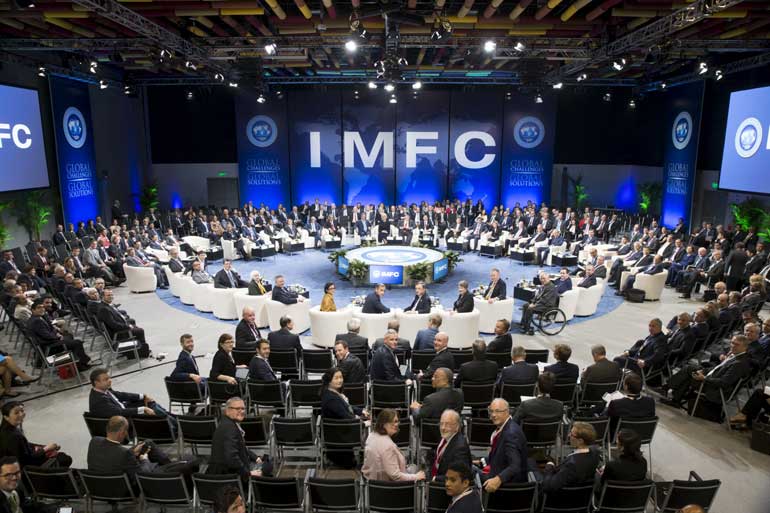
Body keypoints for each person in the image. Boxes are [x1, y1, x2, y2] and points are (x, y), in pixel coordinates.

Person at [87, 416, 194, 491]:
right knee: (190, 461)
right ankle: (169, 471)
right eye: (126, 431)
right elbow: (142, 475)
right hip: (128, 488)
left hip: (100, 485)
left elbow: (112, 455)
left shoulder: (95, 440)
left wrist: (132, 452)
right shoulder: (124, 453)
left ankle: (168, 465)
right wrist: (144, 459)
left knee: (147, 443)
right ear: (122, 433)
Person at [0, 401, 72, 469]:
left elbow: (25, 445)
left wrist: (43, 447)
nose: (21, 414)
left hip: (21, 461)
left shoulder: (5, 429)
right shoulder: (14, 436)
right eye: (16, 413)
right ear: (6, 417)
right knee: (65, 458)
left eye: (22, 411)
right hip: (25, 468)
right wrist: (46, 449)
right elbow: (29, 459)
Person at [27, 298, 92, 371]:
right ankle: (81, 365)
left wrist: (57, 333)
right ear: (33, 310)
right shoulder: (36, 321)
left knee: (69, 336)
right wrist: (57, 337)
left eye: (42, 307)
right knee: (77, 343)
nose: (42, 309)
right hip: (48, 346)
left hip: (50, 341)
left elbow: (51, 328)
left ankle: (76, 361)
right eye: (39, 308)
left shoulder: (41, 317)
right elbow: (46, 336)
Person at [361, 409, 425, 482]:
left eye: (397, 421)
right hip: (387, 486)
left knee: (413, 468)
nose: (397, 424)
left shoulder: (371, 436)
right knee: (415, 469)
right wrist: (416, 476)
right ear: (384, 424)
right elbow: (395, 475)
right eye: (394, 421)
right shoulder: (388, 446)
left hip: (370, 482)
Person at [207, 397, 261, 481]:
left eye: (243, 408)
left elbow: (239, 447)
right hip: (231, 478)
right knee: (266, 469)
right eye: (237, 409)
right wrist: (248, 473)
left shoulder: (226, 423)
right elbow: (231, 458)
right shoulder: (230, 429)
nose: (242, 411)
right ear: (228, 410)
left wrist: (255, 457)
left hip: (224, 472)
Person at [539, 422, 600, 492]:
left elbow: (548, 487)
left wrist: (549, 467)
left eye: (571, 434)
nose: (568, 435)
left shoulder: (572, 465)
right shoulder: (595, 453)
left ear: (580, 441)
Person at [88, 368, 172, 419]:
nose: (110, 380)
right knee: (151, 408)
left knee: (150, 402)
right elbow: (120, 412)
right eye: (106, 379)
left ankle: (170, 418)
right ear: (96, 382)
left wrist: (143, 396)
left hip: (124, 409)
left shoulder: (104, 390)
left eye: (109, 378)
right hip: (124, 420)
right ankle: (174, 422)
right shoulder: (99, 400)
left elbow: (121, 395)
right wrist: (143, 409)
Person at [482, 398, 528, 490]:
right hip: (497, 471)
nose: (493, 415)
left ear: (507, 412)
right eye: (491, 411)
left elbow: (515, 466)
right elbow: (502, 455)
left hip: (506, 486)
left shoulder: (511, 434)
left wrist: (498, 479)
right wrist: (482, 461)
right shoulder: (505, 427)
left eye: (498, 411)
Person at [97, 288, 150, 358]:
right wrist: (127, 326)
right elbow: (113, 325)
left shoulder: (106, 305)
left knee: (134, 325)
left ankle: (141, 349)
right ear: (102, 297)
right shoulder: (104, 309)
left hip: (119, 327)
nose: (111, 296)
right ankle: (141, 352)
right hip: (117, 333)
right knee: (140, 331)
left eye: (112, 294)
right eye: (108, 295)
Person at [429, 410, 472, 482]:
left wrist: (435, 479)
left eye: (447, 424)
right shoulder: (447, 436)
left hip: (445, 486)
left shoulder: (460, 448)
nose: (443, 427)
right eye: (441, 423)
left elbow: (458, 477)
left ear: (457, 427)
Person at [519, 272, 558, 336]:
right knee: (525, 305)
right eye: (541, 279)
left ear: (548, 278)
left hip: (547, 305)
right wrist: (532, 302)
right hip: (541, 303)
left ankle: (527, 327)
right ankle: (523, 323)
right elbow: (537, 296)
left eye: (544, 278)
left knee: (530, 308)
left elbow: (545, 299)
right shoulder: (543, 286)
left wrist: (535, 304)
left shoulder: (551, 287)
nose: (542, 280)